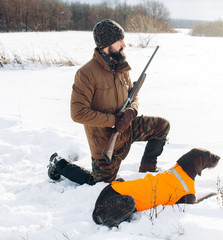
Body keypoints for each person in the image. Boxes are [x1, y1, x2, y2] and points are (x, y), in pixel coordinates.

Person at [47, 19, 170, 185]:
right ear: (107, 45)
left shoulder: (121, 67)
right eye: (120, 41)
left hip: (127, 128)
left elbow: (133, 96)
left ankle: (147, 169)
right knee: (99, 185)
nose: (124, 45)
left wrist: (131, 112)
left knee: (161, 126)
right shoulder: (86, 74)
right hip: (104, 140)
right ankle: (59, 164)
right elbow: (78, 113)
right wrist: (114, 120)